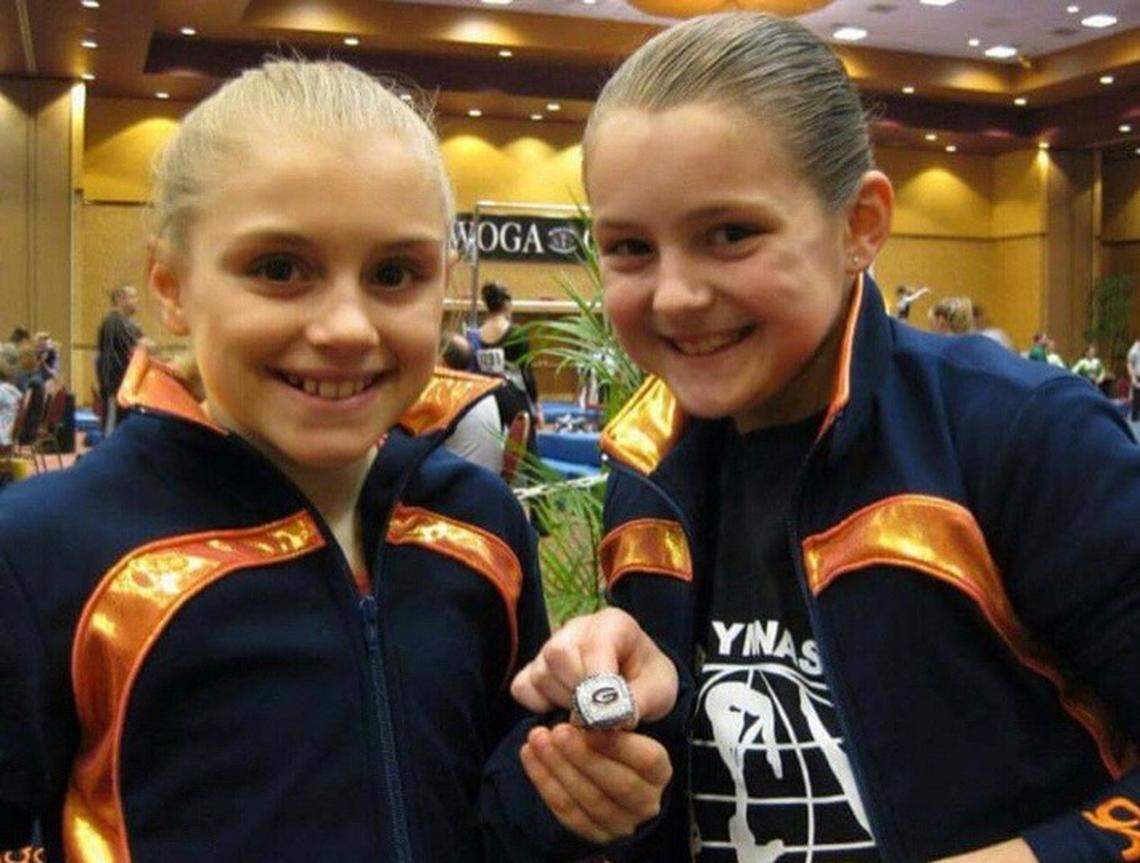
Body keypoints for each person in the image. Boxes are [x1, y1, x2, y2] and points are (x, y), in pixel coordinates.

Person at [0, 59, 666, 862]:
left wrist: (572, 795)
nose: (348, 326)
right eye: (280, 269)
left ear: (442, 286)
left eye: (394, 274)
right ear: (170, 286)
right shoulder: (44, 551)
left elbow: (492, 813)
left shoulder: (479, 525)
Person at [511, 13, 1139, 862]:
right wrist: (595, 771)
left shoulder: (1021, 435)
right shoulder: (645, 472)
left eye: (730, 234)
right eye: (629, 248)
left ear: (860, 225)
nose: (675, 296)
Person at [440, 332, 506, 475]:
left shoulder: (445, 394)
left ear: (442, 363)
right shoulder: (484, 391)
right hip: (489, 481)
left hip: (458, 488)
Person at [95, 283, 143, 432]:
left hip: (123, 387)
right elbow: (135, 349)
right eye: (132, 296)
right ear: (120, 299)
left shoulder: (125, 323)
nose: (137, 300)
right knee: (113, 432)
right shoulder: (114, 322)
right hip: (116, 387)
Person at [1128, 337, 1140, 422]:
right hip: (1138, 377)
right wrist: (1133, 378)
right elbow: (1129, 364)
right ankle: (1134, 418)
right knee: (1137, 400)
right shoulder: (1134, 350)